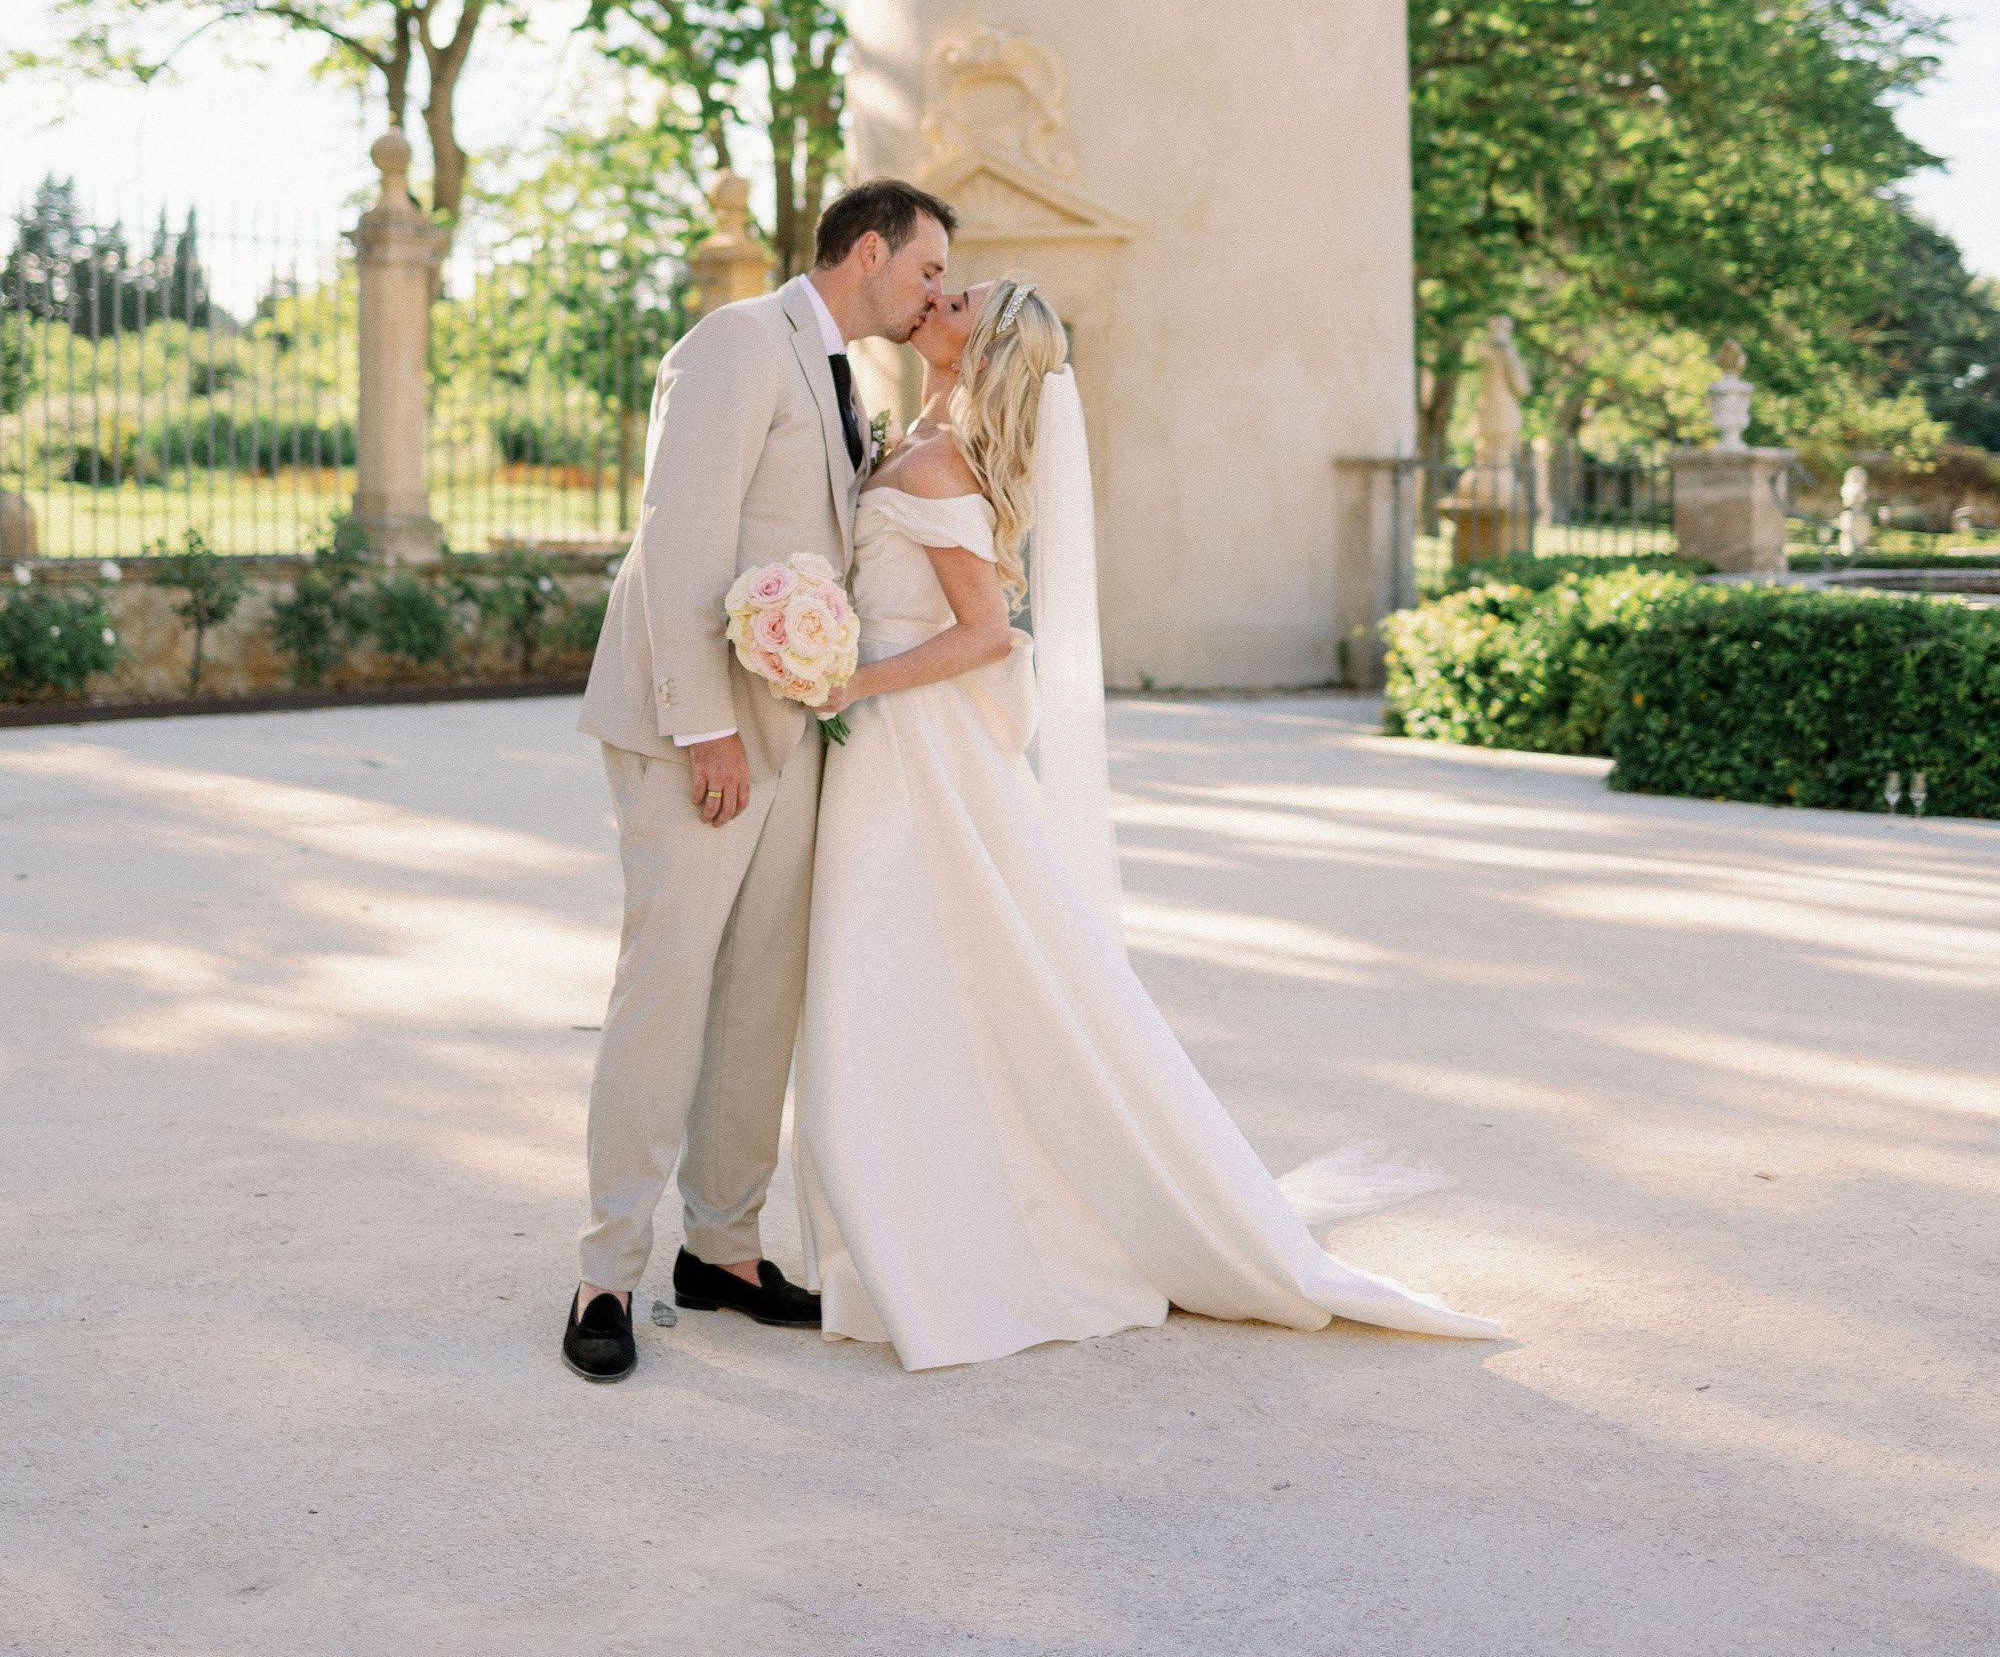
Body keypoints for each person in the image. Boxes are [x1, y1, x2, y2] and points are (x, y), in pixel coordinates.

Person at [796, 278, 1501, 1372]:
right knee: (906, 977)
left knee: (906, 974)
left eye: (958, 300)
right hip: (893, 746)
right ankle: (905, 1215)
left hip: (908, 749)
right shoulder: (911, 439)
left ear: (974, 349)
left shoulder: (937, 463)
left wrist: (856, 681)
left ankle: (949, 1233)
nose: (935, 296)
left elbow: (988, 634)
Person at [559, 177, 955, 1382]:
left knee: (761, 995)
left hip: (791, 728)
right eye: (927, 270)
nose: (935, 293)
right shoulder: (734, 343)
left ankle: (720, 1249)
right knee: (665, 992)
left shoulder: (838, 372)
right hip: (702, 734)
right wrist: (701, 731)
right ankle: (604, 1271)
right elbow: (678, 538)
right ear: (870, 250)